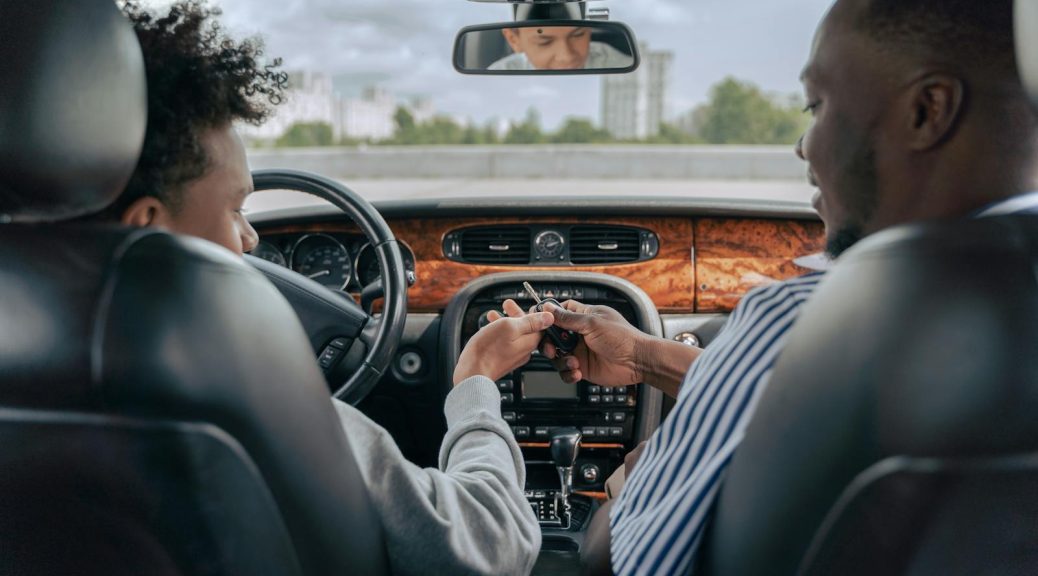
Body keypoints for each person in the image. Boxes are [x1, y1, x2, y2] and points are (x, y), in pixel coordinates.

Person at [494, 0, 1038, 574]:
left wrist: (637, 477)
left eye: (818, 106)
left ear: (927, 111)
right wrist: (645, 356)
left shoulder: (796, 317)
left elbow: (621, 560)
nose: (803, 147)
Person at [103, 3, 549, 574]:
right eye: (236, 208)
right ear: (147, 227)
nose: (250, 238)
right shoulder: (263, 410)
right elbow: (492, 546)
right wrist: (476, 383)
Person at [489, 26, 633, 71]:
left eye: (578, 34)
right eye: (544, 41)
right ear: (514, 40)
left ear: (589, 30)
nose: (566, 56)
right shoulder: (500, 71)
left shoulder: (619, 64)